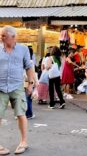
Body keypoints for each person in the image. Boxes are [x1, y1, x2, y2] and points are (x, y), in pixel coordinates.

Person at [0, 25, 37, 155]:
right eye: (1, 35)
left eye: (4, 35)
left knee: (21, 114)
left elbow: (29, 67)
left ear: (13, 37)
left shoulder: (23, 49)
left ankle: (24, 142)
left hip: (17, 86)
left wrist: (31, 84)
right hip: (0, 87)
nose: (1, 37)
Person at [24, 46, 38, 119]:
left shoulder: (20, 60)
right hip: (28, 81)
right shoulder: (30, 62)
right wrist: (36, 82)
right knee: (28, 98)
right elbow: (32, 73)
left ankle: (19, 114)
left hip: (21, 81)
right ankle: (28, 114)